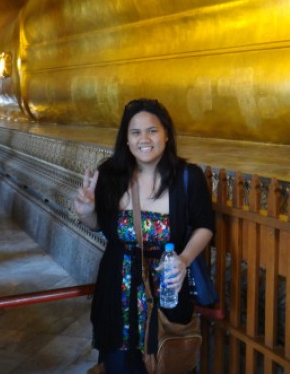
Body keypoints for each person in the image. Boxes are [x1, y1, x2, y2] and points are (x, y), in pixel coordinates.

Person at [74, 98, 215, 373]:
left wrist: (183, 260)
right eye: (135, 132)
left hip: (167, 290)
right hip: (118, 290)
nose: (144, 139)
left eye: (152, 130)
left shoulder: (188, 177)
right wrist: (86, 211)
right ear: (126, 140)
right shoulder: (110, 175)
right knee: (119, 364)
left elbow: (204, 225)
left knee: (167, 360)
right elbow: (97, 225)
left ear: (166, 135)